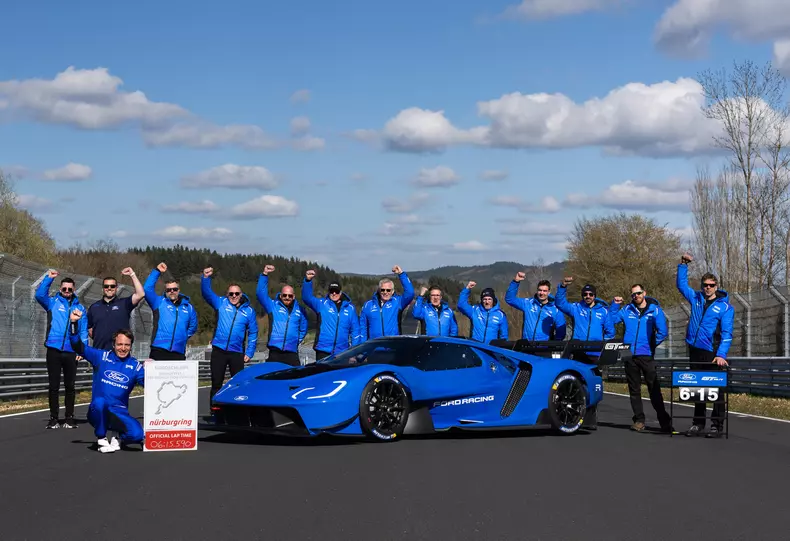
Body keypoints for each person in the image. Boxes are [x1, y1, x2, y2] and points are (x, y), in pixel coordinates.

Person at [67, 308, 148, 453]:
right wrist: (73, 323)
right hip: (98, 411)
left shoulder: (135, 366)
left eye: (126, 345)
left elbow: (149, 385)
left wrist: (152, 370)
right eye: (119, 344)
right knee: (100, 402)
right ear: (113, 344)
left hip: (119, 413)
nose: (123, 348)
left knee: (137, 435)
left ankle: (116, 434)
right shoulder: (101, 357)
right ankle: (102, 438)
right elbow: (77, 346)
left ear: (131, 346)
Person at [677, 253, 734, 438]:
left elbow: (727, 334)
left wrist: (721, 355)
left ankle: (717, 425)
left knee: (716, 391)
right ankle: (698, 423)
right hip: (694, 349)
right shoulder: (696, 298)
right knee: (697, 388)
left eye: (711, 285)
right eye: (705, 285)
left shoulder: (725, 307)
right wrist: (683, 265)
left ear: (716, 286)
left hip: (713, 352)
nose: (708, 288)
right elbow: (681, 285)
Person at [609, 284, 673, 433]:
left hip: (646, 354)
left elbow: (662, 332)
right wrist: (614, 306)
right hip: (628, 354)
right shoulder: (626, 310)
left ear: (644, 293)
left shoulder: (655, 310)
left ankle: (665, 421)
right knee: (634, 390)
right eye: (633, 294)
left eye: (638, 293)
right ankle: (639, 420)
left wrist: (651, 345)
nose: (636, 296)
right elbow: (611, 321)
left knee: (654, 389)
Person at [34, 270, 88, 429]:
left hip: (71, 351)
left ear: (73, 290)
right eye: (64, 289)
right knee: (54, 386)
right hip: (53, 350)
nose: (66, 291)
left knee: (70, 386)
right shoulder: (52, 302)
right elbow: (39, 295)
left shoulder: (81, 308)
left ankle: (69, 417)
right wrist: (48, 279)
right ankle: (53, 418)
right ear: (60, 289)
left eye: (69, 289)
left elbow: (84, 330)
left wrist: (81, 351)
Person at [201, 267, 259, 404]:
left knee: (237, 384)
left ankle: (236, 411)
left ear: (241, 294)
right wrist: (205, 278)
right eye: (231, 293)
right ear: (227, 294)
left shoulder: (249, 311)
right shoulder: (220, 303)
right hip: (219, 350)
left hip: (237, 352)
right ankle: (214, 410)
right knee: (216, 383)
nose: (234, 296)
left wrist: (249, 352)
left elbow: (253, 332)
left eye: (236, 293)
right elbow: (207, 293)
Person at [142, 262, 198, 360]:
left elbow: (192, 327)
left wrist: (182, 337)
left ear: (179, 290)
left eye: (174, 289)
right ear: (165, 291)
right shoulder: (158, 302)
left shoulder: (189, 307)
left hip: (178, 350)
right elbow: (147, 289)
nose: (172, 291)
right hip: (159, 349)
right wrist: (157, 271)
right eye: (169, 290)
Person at [302, 269, 360, 360]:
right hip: (323, 351)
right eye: (332, 291)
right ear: (328, 292)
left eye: (336, 291)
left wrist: (354, 352)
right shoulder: (322, 304)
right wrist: (308, 281)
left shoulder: (350, 309)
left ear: (340, 292)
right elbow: (307, 298)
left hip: (342, 352)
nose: (334, 293)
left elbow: (355, 331)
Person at [554, 277, 618, 360]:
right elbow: (560, 303)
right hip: (578, 350)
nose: (588, 296)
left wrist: (603, 346)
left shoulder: (603, 311)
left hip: (595, 352)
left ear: (594, 296)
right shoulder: (576, 308)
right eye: (585, 294)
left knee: (594, 373)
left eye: (591, 294)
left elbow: (610, 332)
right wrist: (563, 286)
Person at [256, 264, 308, 366]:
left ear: (293, 296)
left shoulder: (300, 310)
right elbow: (260, 294)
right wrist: (264, 274)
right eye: (284, 295)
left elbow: (303, 328)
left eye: (289, 296)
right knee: (273, 380)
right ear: (280, 295)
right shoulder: (273, 306)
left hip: (292, 352)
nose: (287, 297)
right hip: (275, 351)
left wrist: (296, 340)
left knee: (294, 379)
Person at [87, 268, 145, 350]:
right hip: (99, 352)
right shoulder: (94, 307)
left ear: (116, 288)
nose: (109, 288)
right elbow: (89, 328)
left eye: (112, 286)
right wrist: (99, 337)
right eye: (106, 286)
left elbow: (140, 294)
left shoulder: (124, 303)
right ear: (103, 288)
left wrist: (132, 274)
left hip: (120, 352)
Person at [359, 266, 415, 341]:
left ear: (392, 291)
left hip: (392, 346)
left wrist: (401, 274)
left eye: (388, 290)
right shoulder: (368, 305)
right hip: (374, 347)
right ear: (379, 290)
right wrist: (363, 347)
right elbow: (363, 328)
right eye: (383, 290)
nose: (385, 292)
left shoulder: (397, 302)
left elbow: (410, 293)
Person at [505, 273, 566, 341]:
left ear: (549, 292)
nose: (541, 293)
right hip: (526, 346)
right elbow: (510, 299)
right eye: (540, 290)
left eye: (544, 291)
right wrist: (516, 281)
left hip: (544, 348)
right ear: (537, 290)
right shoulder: (528, 303)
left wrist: (553, 345)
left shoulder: (556, 309)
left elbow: (561, 331)